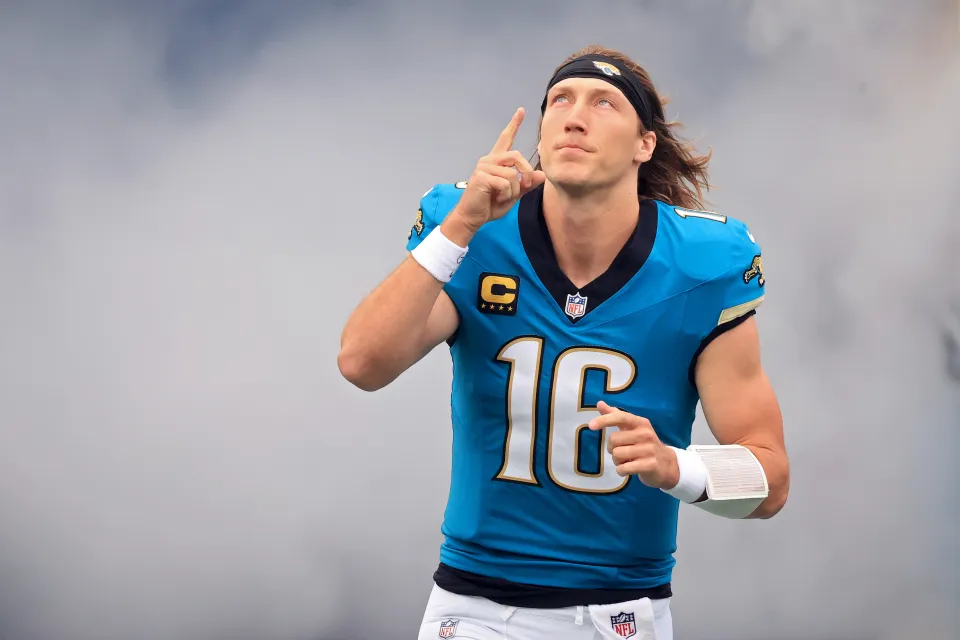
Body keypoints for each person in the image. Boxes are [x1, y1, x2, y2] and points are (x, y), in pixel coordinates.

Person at [338, 44, 789, 640]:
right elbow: (362, 363)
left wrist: (674, 465)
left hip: (622, 612)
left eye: (605, 102)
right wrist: (458, 229)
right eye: (560, 101)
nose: (575, 116)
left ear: (644, 144)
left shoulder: (702, 267)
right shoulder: (475, 233)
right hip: (473, 605)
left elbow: (770, 480)